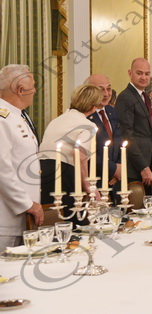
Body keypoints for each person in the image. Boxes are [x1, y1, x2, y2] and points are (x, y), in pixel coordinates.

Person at [39, 84, 102, 222]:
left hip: (42, 170)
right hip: (64, 172)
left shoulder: (56, 120)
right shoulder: (89, 125)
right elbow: (79, 153)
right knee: (72, 219)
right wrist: (88, 185)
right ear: (93, 106)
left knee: (51, 218)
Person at [0, 65, 43, 250]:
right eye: (33, 86)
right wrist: (27, 204)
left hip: (23, 216)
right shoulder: (3, 119)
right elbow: (3, 170)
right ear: (20, 90)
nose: (35, 91)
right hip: (6, 218)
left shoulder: (19, 116)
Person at [115, 58, 152, 192]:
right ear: (130, 73)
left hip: (149, 163)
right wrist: (143, 167)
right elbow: (127, 136)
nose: (144, 77)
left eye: (147, 74)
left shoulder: (145, 97)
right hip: (134, 167)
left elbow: (150, 133)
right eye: (139, 73)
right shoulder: (125, 97)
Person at [85, 74, 122, 198]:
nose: (106, 94)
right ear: (89, 91)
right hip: (95, 182)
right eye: (101, 89)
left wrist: (119, 167)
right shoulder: (85, 116)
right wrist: (113, 169)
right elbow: (88, 153)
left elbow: (120, 142)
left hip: (116, 181)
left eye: (109, 89)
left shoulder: (112, 111)